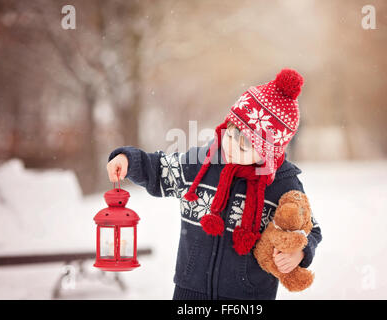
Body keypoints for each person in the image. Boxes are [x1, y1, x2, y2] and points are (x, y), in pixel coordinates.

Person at [106, 68, 322, 300]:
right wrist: (128, 159)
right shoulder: (201, 164)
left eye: (242, 146)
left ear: (267, 153)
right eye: (229, 135)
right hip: (190, 292)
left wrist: (300, 252)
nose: (229, 146)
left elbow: (311, 229)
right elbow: (159, 169)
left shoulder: (282, 184)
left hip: (248, 297)